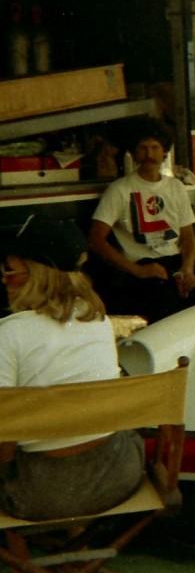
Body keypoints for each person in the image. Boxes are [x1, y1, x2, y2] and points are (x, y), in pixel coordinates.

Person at [0, 215, 144, 521]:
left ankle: (23, 560)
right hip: (120, 477)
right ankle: (76, 540)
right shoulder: (98, 321)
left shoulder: (9, 333)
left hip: (41, 493)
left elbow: (4, 437)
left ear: (36, 274)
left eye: (8, 269)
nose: (3, 278)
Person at [88, 117, 195, 323]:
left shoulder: (175, 187)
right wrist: (138, 271)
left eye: (155, 147)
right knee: (167, 308)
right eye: (143, 148)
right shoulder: (120, 189)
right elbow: (96, 239)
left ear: (164, 151)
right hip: (141, 267)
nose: (149, 154)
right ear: (133, 152)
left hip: (174, 263)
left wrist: (188, 268)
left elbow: (187, 237)